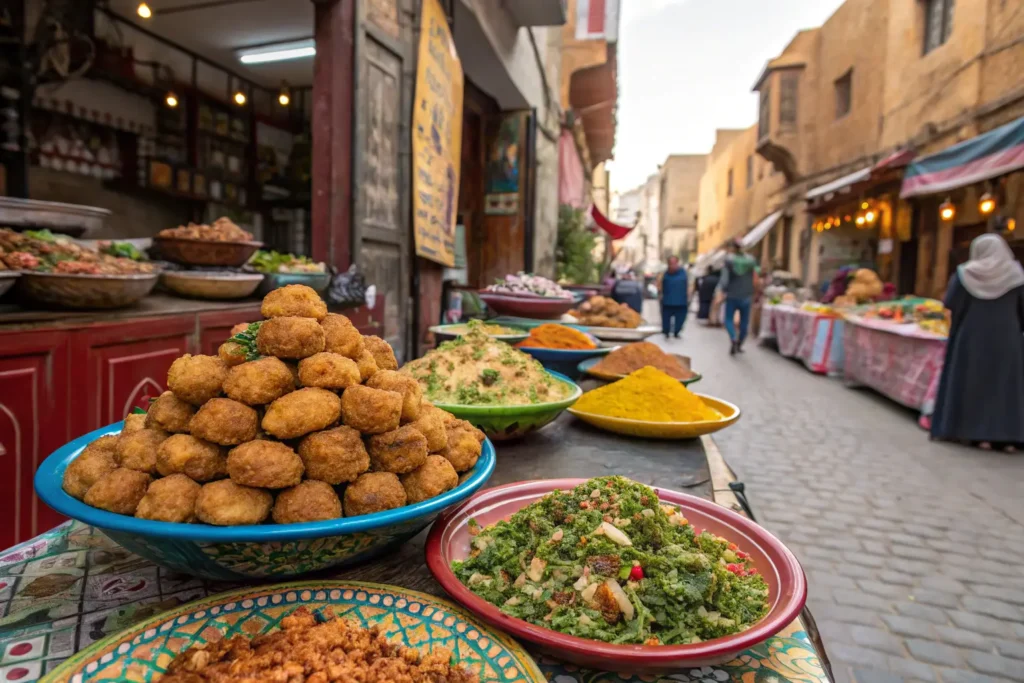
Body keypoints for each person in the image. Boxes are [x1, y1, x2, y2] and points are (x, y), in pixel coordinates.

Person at [930, 233, 1024, 451]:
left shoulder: (965, 275)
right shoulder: (1017, 275)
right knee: (1004, 387)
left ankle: (974, 434)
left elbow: (953, 304)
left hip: (972, 339)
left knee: (974, 384)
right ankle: (1007, 437)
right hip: (1007, 339)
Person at [716, 239, 759, 355]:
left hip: (732, 295)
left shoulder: (729, 260)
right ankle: (740, 343)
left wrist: (722, 291)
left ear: (733, 248)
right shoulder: (751, 260)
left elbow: (724, 279)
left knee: (728, 319)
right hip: (746, 295)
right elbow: (756, 276)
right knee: (744, 322)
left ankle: (733, 338)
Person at [658, 256, 688, 338]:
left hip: (681, 301)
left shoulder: (684, 273)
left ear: (677, 263)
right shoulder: (664, 274)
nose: (672, 265)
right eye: (670, 263)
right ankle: (666, 331)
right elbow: (660, 286)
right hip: (667, 301)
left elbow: (690, 286)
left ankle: (676, 332)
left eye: (674, 263)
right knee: (666, 318)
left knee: (680, 318)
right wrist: (660, 295)